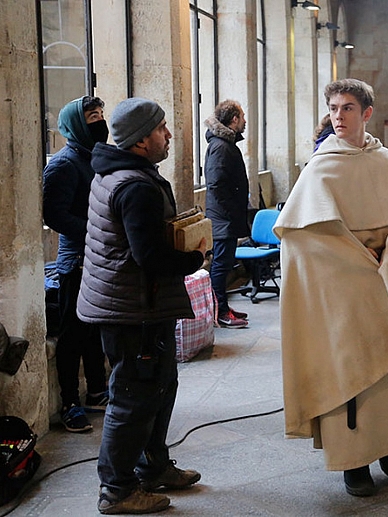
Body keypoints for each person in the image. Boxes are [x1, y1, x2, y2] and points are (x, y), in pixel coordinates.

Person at [274, 79, 388, 498]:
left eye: (348, 108)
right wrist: (353, 258)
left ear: (367, 113)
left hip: (387, 278)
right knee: (352, 370)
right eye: (333, 107)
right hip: (343, 283)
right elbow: (304, 235)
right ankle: (355, 460)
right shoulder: (319, 167)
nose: (339, 116)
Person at [77, 97, 207, 514]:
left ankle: (152, 467)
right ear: (140, 140)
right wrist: (193, 257)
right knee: (133, 396)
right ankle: (116, 490)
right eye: (162, 129)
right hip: (133, 308)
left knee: (159, 386)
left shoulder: (122, 173)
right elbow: (149, 256)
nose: (168, 135)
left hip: (135, 303)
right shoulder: (134, 185)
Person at [42, 96, 109, 433]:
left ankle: (97, 391)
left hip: (97, 256)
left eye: (100, 115)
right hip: (76, 261)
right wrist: (96, 228)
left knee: (94, 331)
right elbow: (53, 213)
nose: (99, 122)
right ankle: (70, 402)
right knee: (71, 337)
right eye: (91, 117)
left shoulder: (93, 157)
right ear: (75, 124)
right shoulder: (64, 163)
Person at [204, 100, 250, 328]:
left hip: (226, 217)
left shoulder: (225, 144)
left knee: (225, 263)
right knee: (221, 265)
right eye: (242, 116)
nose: (245, 121)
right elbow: (216, 184)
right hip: (223, 219)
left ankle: (221, 307)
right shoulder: (221, 146)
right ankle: (219, 311)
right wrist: (232, 213)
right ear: (234, 119)